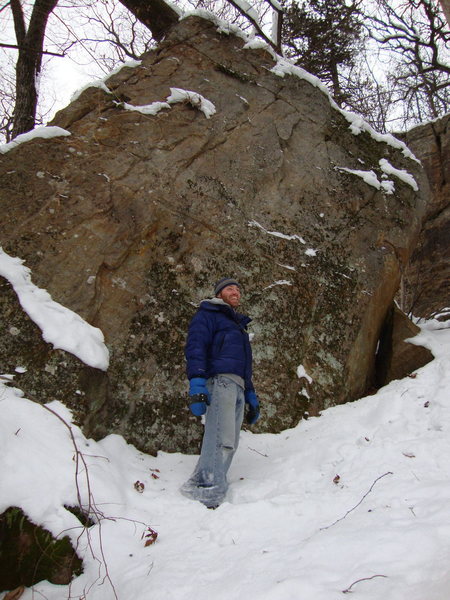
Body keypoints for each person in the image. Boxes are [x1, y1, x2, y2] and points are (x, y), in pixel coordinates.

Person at [180, 277, 260, 508]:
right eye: (229, 288)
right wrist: (197, 384)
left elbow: (244, 366)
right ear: (219, 294)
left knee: (231, 441)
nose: (235, 291)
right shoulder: (208, 315)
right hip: (220, 382)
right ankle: (206, 488)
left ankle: (210, 482)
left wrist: (251, 395)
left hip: (238, 386)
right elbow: (196, 348)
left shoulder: (238, 327)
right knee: (221, 437)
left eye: (237, 289)